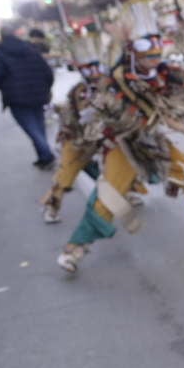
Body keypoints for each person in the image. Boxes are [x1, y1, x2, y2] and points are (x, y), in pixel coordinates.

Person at [56, 0, 184, 275]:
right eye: (147, 55)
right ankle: (75, 248)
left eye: (157, 54)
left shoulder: (163, 72)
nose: (154, 60)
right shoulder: (115, 79)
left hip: (152, 139)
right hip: (121, 143)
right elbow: (105, 113)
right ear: (133, 51)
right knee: (109, 195)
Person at [41, 29, 108, 224]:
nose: (94, 72)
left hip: (107, 137)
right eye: (89, 68)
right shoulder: (79, 91)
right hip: (79, 139)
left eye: (97, 67)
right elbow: (78, 115)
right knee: (67, 173)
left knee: (124, 161)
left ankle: (127, 193)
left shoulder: (110, 85)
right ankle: (52, 206)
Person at [0, 21, 57, 168]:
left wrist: (5, 86)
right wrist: (46, 88)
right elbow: (46, 71)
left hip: (17, 97)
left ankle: (46, 154)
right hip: (37, 94)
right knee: (38, 126)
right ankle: (43, 156)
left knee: (31, 128)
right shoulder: (30, 48)